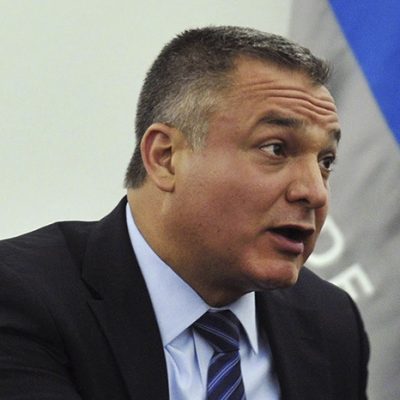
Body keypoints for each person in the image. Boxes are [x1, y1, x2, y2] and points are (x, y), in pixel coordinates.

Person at [0, 26, 369, 399]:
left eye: (326, 161)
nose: (314, 192)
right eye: (275, 149)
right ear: (165, 158)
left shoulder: (331, 321)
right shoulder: (20, 296)